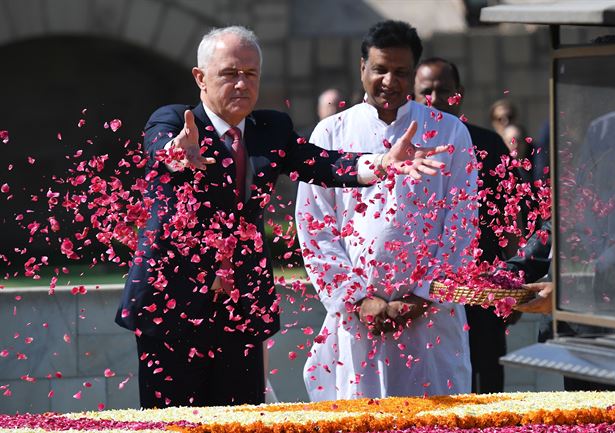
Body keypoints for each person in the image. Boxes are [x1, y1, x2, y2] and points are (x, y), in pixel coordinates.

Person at [115, 25, 448, 408]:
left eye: (251, 74)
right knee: (171, 421)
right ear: (200, 78)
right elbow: (161, 148)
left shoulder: (270, 129)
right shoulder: (175, 121)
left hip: (240, 304)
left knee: (240, 418)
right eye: (230, 73)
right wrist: (176, 154)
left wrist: (383, 162)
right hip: (173, 302)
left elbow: (323, 164)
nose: (242, 84)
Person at [296, 20, 477, 400]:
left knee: (436, 419)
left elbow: (461, 223)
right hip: (358, 318)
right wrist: (358, 300)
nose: (389, 82)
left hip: (430, 317)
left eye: (401, 72)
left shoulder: (449, 132)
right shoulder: (330, 134)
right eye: (380, 69)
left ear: (414, 74)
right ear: (362, 67)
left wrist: (423, 296)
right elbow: (315, 227)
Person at [414, 57, 518, 394]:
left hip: (482, 282)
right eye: (425, 91)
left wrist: (511, 281)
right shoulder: (406, 149)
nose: (434, 99)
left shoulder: (487, 144)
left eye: (443, 91)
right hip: (428, 288)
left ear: (459, 94)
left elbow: (510, 219)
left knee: (487, 379)